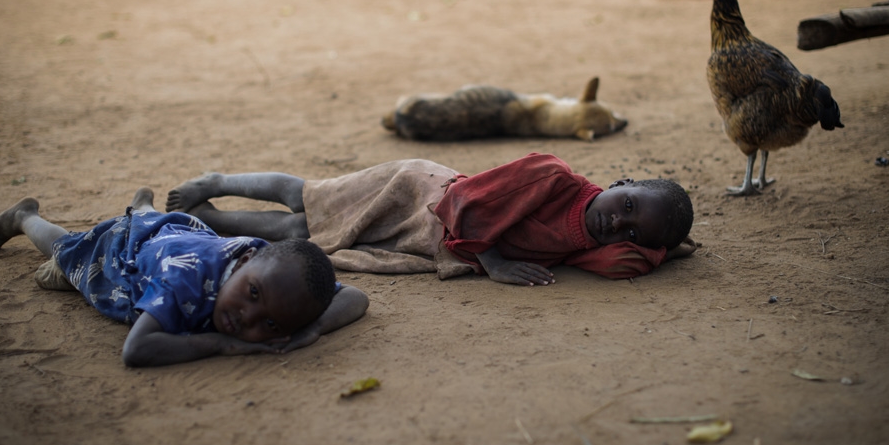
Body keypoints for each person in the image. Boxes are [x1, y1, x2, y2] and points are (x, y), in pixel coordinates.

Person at [165, 153, 696, 286]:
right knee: (308, 198)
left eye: (633, 231)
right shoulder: (553, 177)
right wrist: (492, 260)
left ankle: (212, 217)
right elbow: (467, 201)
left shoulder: (590, 240)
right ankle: (217, 182)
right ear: (620, 184)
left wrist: (664, 246)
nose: (616, 228)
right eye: (625, 209)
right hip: (419, 194)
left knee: (302, 233)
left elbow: (625, 261)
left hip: (428, 238)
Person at [0, 187, 369, 367]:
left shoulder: (279, 274)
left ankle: (143, 207)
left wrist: (313, 328)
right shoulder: (185, 283)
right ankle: (25, 217)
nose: (245, 318)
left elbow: (354, 296)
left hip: (183, 233)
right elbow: (137, 350)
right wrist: (221, 344)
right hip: (120, 252)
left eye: (269, 323)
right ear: (249, 258)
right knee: (66, 252)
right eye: (252, 294)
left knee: (152, 222)